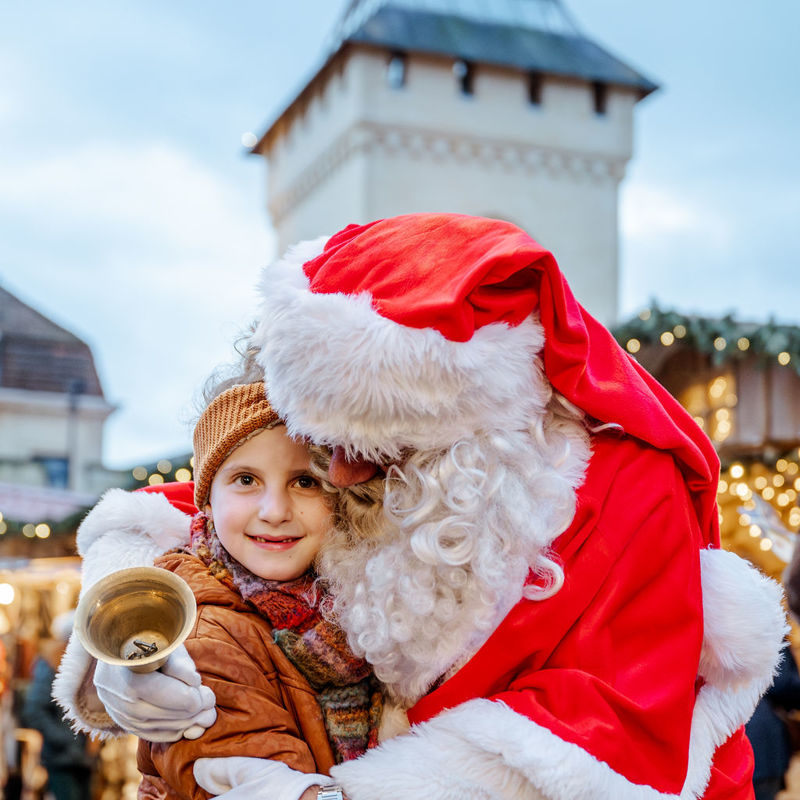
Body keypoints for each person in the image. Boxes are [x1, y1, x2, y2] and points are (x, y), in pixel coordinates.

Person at [57, 213, 787, 800]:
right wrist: (127, 644)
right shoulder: (368, 472)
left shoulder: (622, 487)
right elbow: (191, 508)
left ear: (457, 410)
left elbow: (610, 720)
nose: (334, 473)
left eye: (364, 442)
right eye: (323, 444)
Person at [21, 611, 95, 800]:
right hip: (62, 758)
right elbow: (35, 710)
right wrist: (66, 741)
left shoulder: (81, 664)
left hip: (82, 759)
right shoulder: (51, 663)